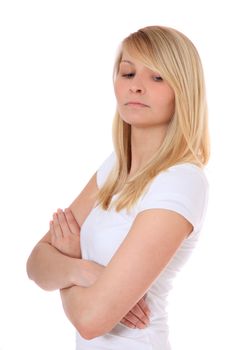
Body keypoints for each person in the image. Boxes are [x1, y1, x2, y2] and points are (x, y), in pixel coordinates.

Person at [26, 25, 210, 350]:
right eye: (128, 73)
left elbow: (91, 321)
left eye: (157, 78)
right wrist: (84, 270)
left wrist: (67, 264)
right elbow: (36, 264)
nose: (136, 87)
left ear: (183, 89)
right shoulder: (114, 168)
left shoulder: (180, 181)